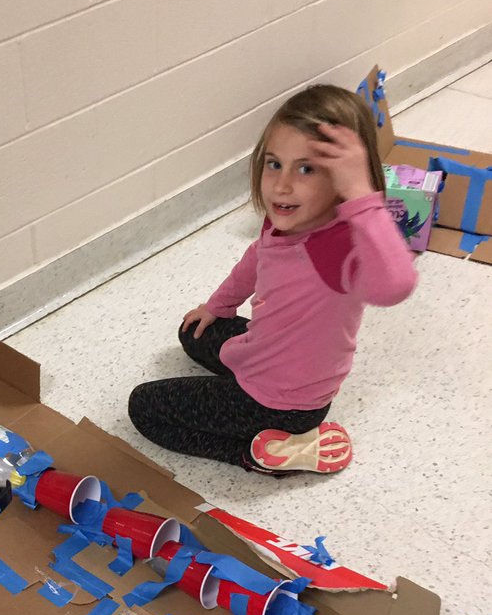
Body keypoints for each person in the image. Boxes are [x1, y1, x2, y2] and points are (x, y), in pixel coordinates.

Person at [128, 84, 417, 475]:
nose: (282, 185)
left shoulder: (342, 246)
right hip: (270, 358)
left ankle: (259, 455)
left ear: (344, 179)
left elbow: (396, 285)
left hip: (283, 402)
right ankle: (264, 415)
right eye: (274, 163)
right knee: (191, 331)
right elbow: (256, 259)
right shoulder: (287, 217)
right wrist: (218, 307)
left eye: (307, 169)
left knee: (144, 409)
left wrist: (362, 198)